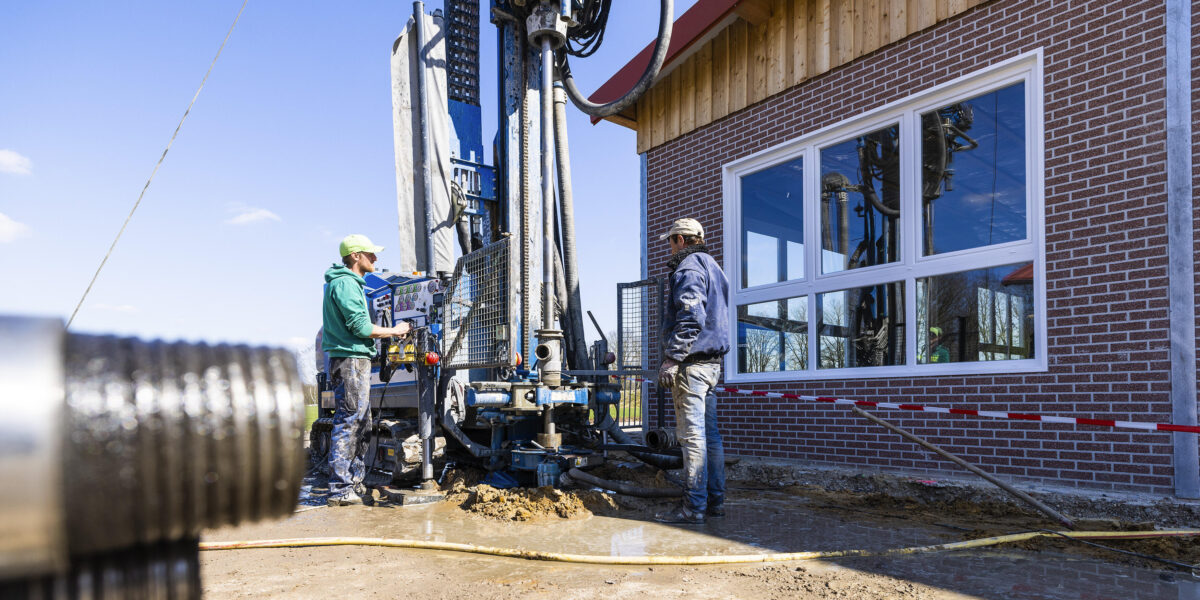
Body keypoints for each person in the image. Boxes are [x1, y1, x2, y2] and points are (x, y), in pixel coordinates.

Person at [323, 234, 410, 506]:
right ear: (355, 256)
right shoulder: (346, 284)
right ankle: (340, 490)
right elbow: (360, 328)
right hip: (350, 361)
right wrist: (394, 330)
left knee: (362, 422)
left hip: (352, 360)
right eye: (370, 254)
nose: (375, 258)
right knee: (350, 421)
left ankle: (353, 483)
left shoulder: (347, 283)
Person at [654, 218, 730, 525]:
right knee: (710, 437)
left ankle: (692, 507)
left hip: (692, 366)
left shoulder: (688, 268)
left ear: (682, 240)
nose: (669, 248)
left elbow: (690, 315)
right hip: (713, 366)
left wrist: (672, 358)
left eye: (671, 242)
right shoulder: (715, 268)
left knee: (692, 437)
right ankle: (715, 502)